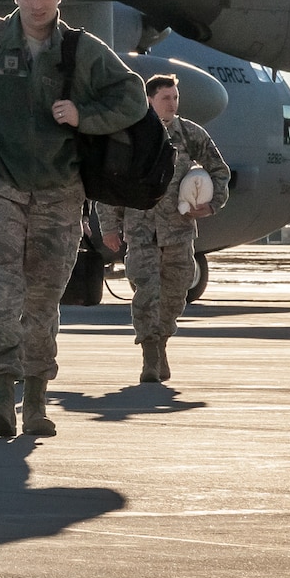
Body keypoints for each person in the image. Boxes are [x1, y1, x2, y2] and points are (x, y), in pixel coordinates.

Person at [0, 0, 147, 438]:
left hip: (60, 195)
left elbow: (133, 97)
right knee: (1, 295)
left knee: (43, 301)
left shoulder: (80, 50)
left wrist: (83, 114)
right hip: (1, 190)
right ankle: (2, 398)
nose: (37, 4)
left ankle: (36, 404)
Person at [99, 75, 231, 383]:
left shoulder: (189, 134)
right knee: (147, 295)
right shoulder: (130, 135)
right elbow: (110, 183)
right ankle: (150, 358)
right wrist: (109, 226)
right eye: (165, 98)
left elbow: (218, 170)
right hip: (140, 232)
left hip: (179, 232)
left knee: (173, 297)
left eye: (175, 98)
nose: (172, 103)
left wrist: (212, 204)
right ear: (150, 101)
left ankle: (161, 344)